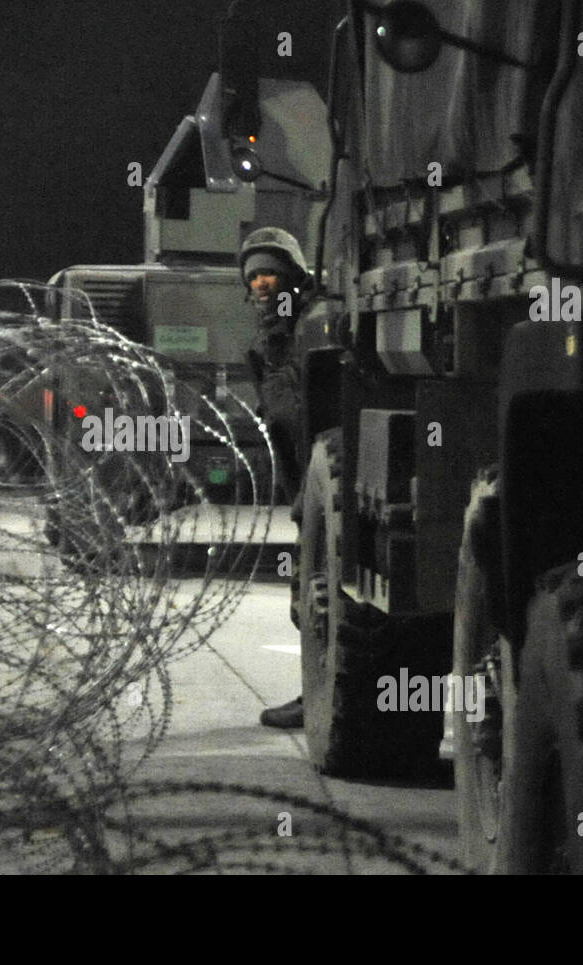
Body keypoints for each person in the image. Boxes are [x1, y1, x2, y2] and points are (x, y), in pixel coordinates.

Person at [238, 227, 309, 730]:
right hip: (305, 485)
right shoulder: (273, 343)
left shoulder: (309, 331)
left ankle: (319, 694)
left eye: (271, 274)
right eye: (255, 277)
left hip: (320, 479)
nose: (263, 284)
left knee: (312, 592)